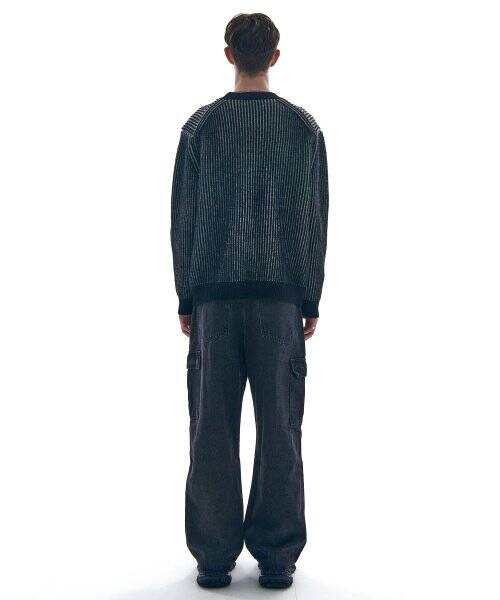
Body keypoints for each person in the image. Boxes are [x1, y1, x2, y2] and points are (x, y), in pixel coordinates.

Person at [170, 12, 329, 590]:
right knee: (281, 428)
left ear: (228, 54)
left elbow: (183, 216)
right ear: (275, 56)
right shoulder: (302, 128)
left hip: (213, 299)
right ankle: (277, 557)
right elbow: (314, 216)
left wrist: (186, 293)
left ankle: (214, 559)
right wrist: (308, 295)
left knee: (211, 429)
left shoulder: (201, 127)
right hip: (279, 301)